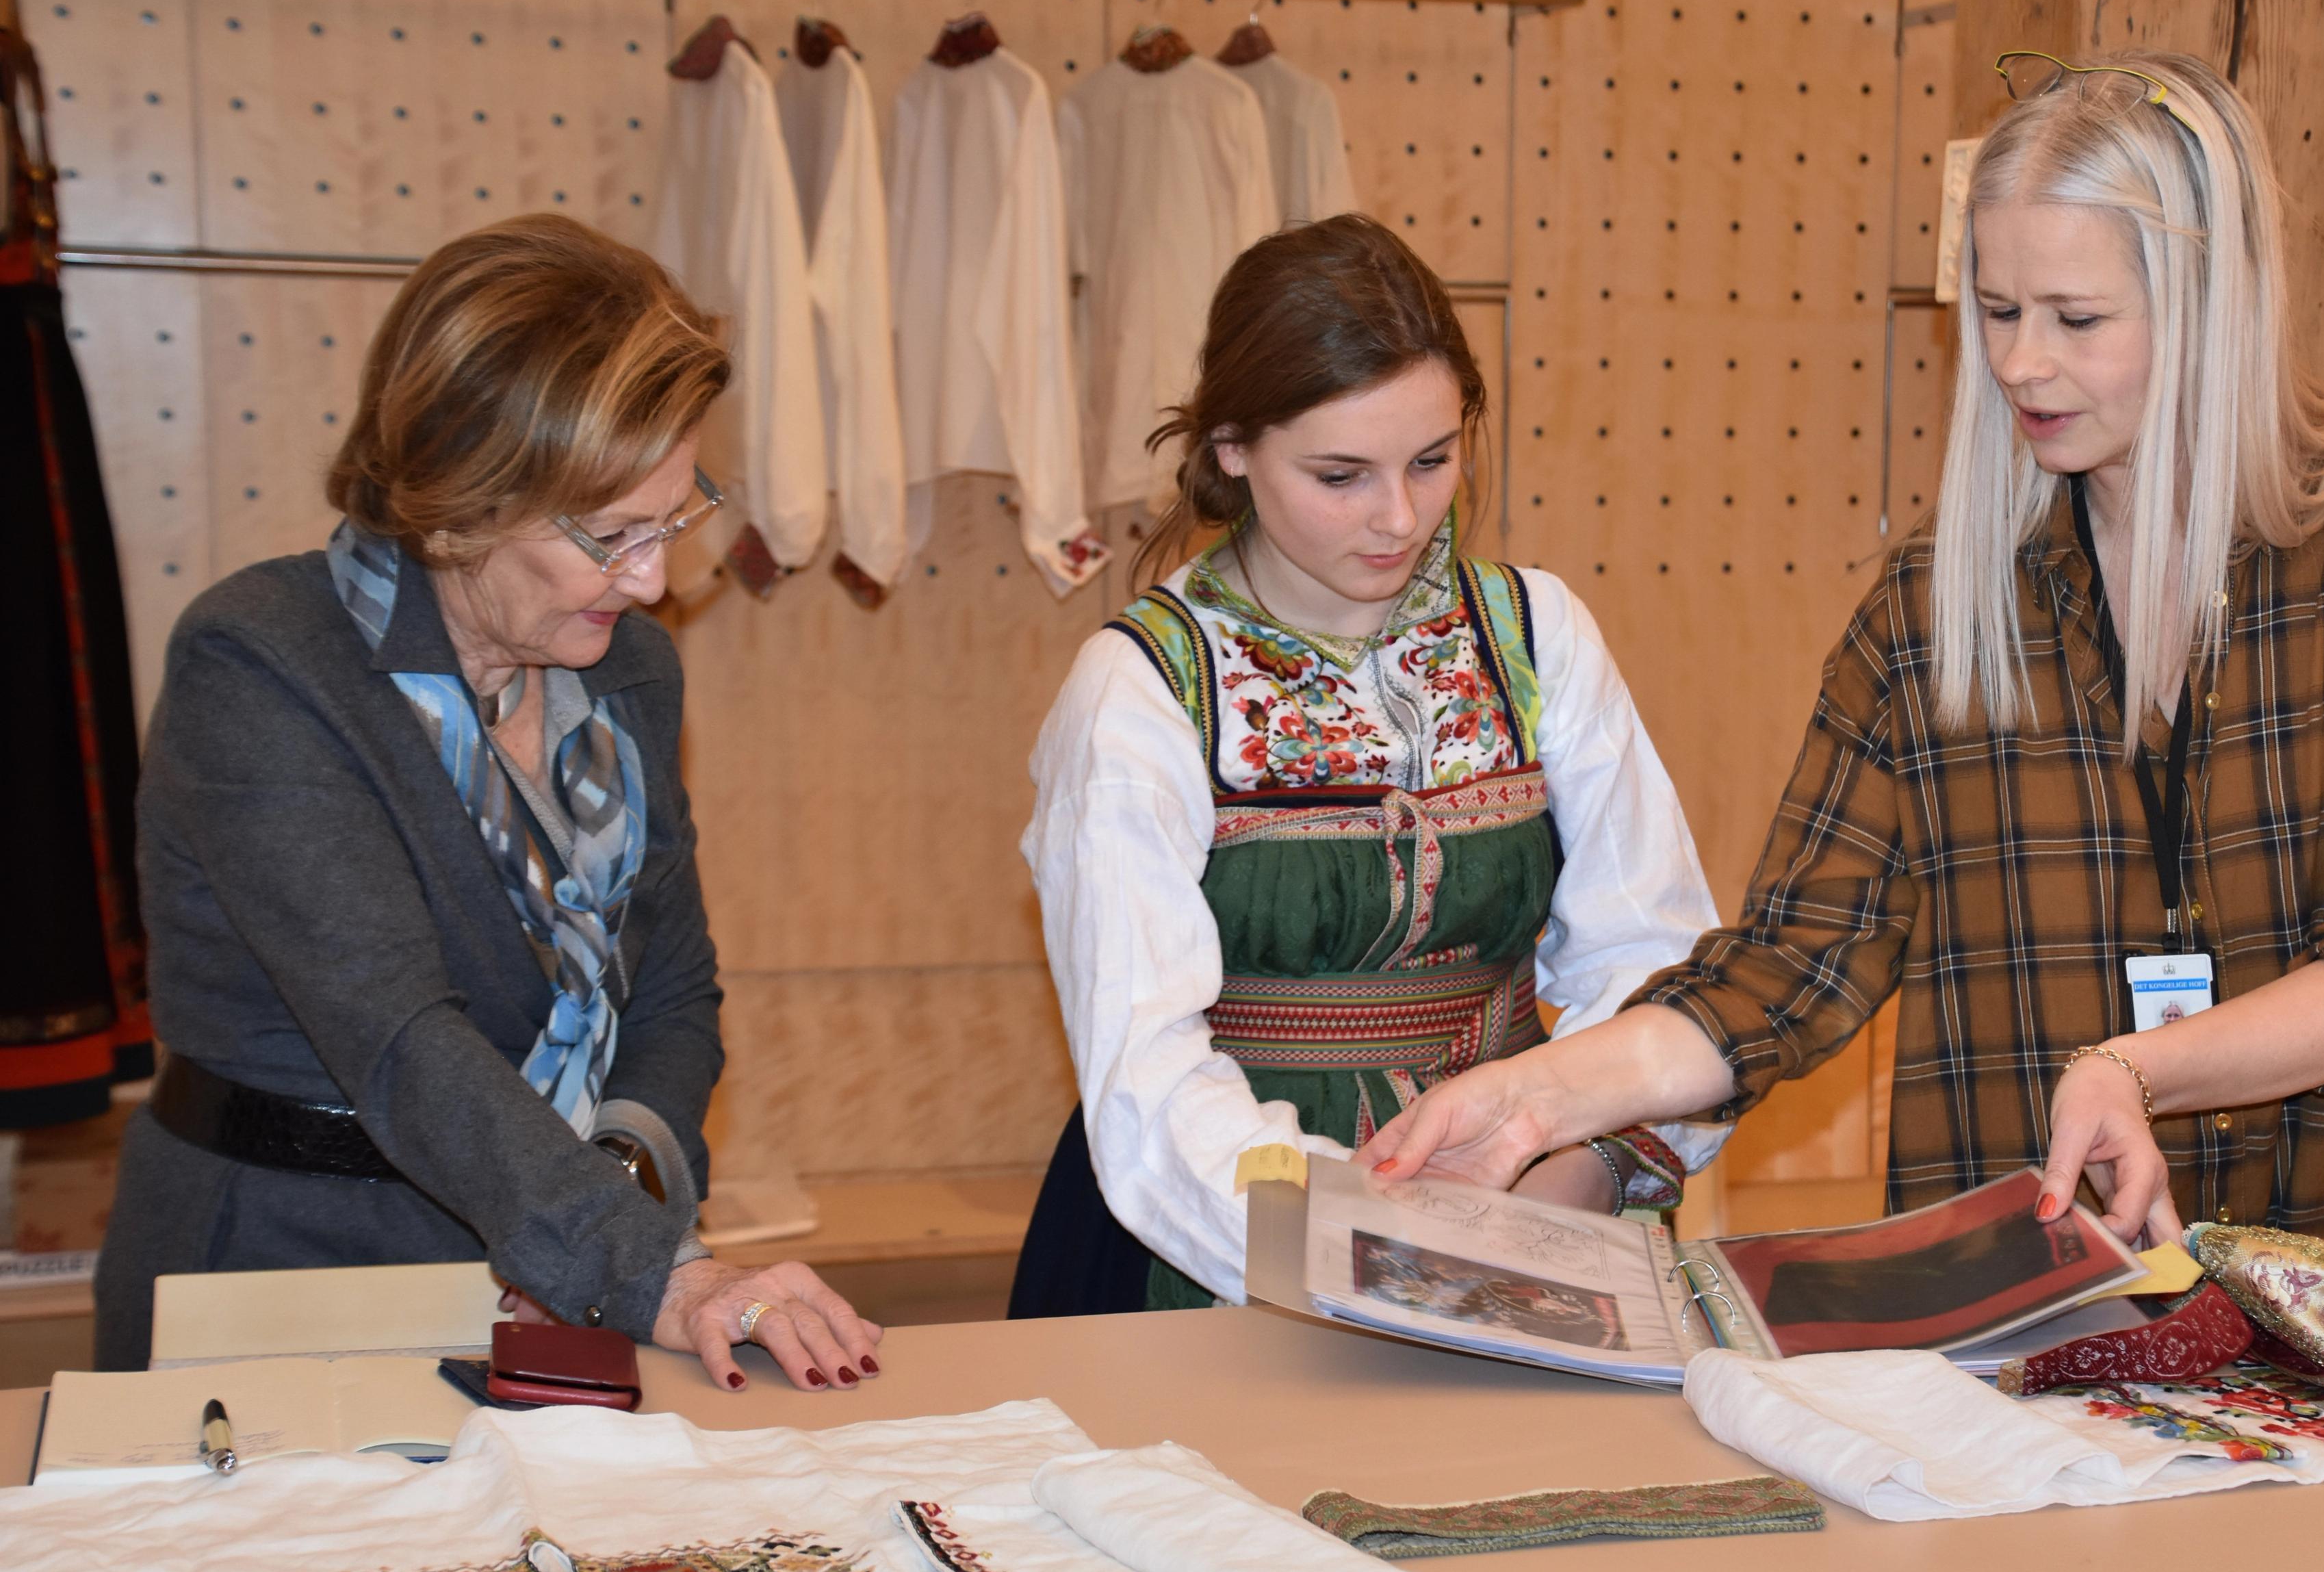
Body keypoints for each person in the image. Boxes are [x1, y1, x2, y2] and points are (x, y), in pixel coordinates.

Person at [1356, 51, 2324, 1246]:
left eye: (2076, 318)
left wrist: (2134, 1068)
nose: (2018, 363)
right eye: (1997, 311)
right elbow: (1794, 961)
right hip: (2067, 1291)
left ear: (2215, 308)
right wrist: (1537, 1095)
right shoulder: (1934, 609)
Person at [94, 214, 881, 1390]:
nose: (655, 579)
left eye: (674, 520)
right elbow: (399, 1035)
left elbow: (671, 991)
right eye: (612, 536)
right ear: (461, 506)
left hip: (565, 1251)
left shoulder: (626, 668)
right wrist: (649, 1271)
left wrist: (616, 1194)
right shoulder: (263, 666)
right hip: (286, 1273)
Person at [1009, 214, 1729, 1315]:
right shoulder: (1138, 692)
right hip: (1227, 1236)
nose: (1399, 518)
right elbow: (1148, 1080)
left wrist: (1586, 1165)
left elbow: (1650, 953)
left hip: (1538, 1200)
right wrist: (1374, 1245)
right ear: (1232, 447)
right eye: (1340, 475)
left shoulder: (1539, 633)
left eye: (1432, 461)